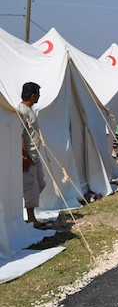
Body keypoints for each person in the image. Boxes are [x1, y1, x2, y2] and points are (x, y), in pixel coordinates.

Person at [18, 82, 48, 229]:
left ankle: (29, 213)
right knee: (30, 188)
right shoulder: (21, 111)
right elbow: (20, 136)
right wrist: (25, 157)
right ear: (33, 95)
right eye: (38, 94)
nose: (39, 97)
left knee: (40, 184)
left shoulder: (30, 110)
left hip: (35, 155)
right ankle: (31, 219)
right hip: (28, 156)